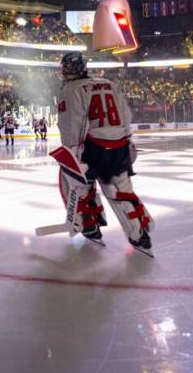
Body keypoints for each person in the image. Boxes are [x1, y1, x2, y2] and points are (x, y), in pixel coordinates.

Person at [52, 52, 153, 256]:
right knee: (120, 189)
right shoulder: (109, 83)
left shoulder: (70, 89)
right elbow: (125, 115)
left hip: (93, 147)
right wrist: (127, 140)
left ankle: (89, 224)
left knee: (75, 182)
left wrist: (74, 153)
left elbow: (73, 124)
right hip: (119, 146)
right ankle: (139, 233)